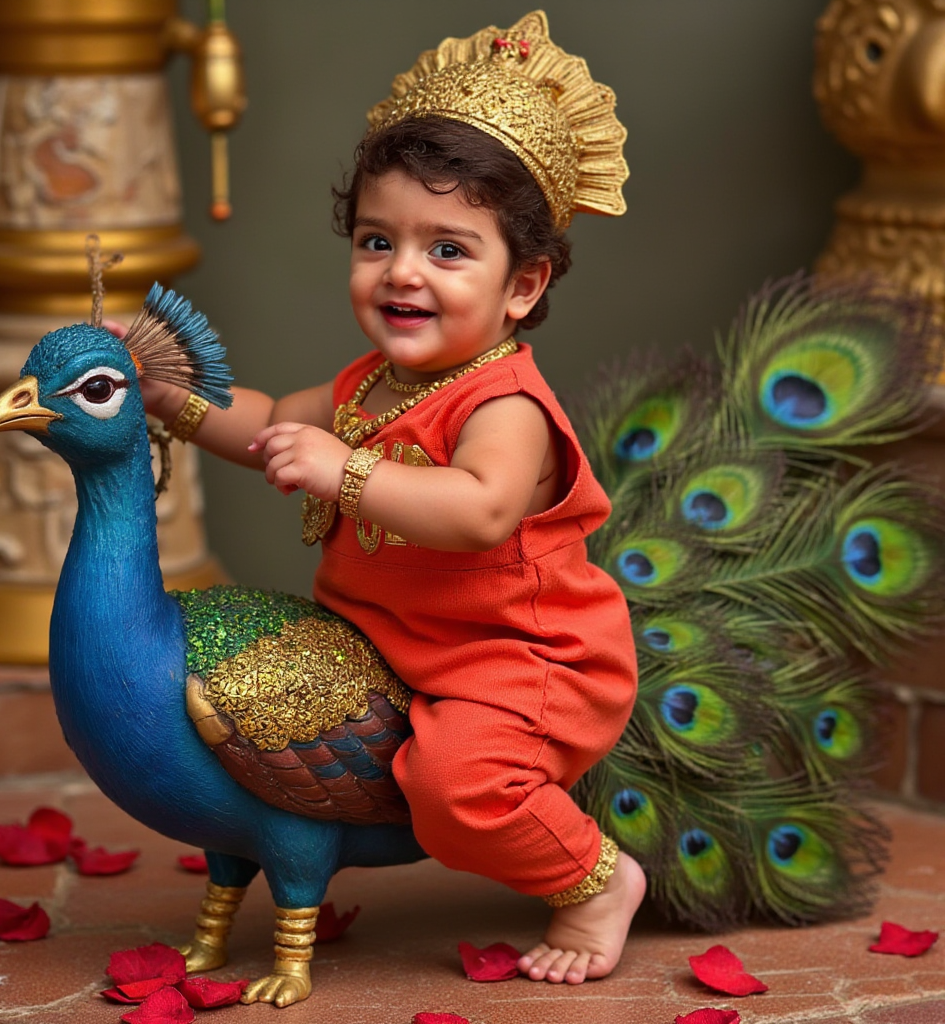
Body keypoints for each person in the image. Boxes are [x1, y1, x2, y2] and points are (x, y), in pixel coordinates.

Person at [140, 11, 643, 986]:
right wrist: (172, 396)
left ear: (523, 285)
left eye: (448, 250)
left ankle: (594, 881)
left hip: (519, 662)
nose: (402, 270)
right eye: (377, 239)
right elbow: (265, 423)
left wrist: (349, 471)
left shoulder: (505, 405)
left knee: (454, 785)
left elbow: (480, 509)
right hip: (397, 647)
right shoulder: (366, 383)